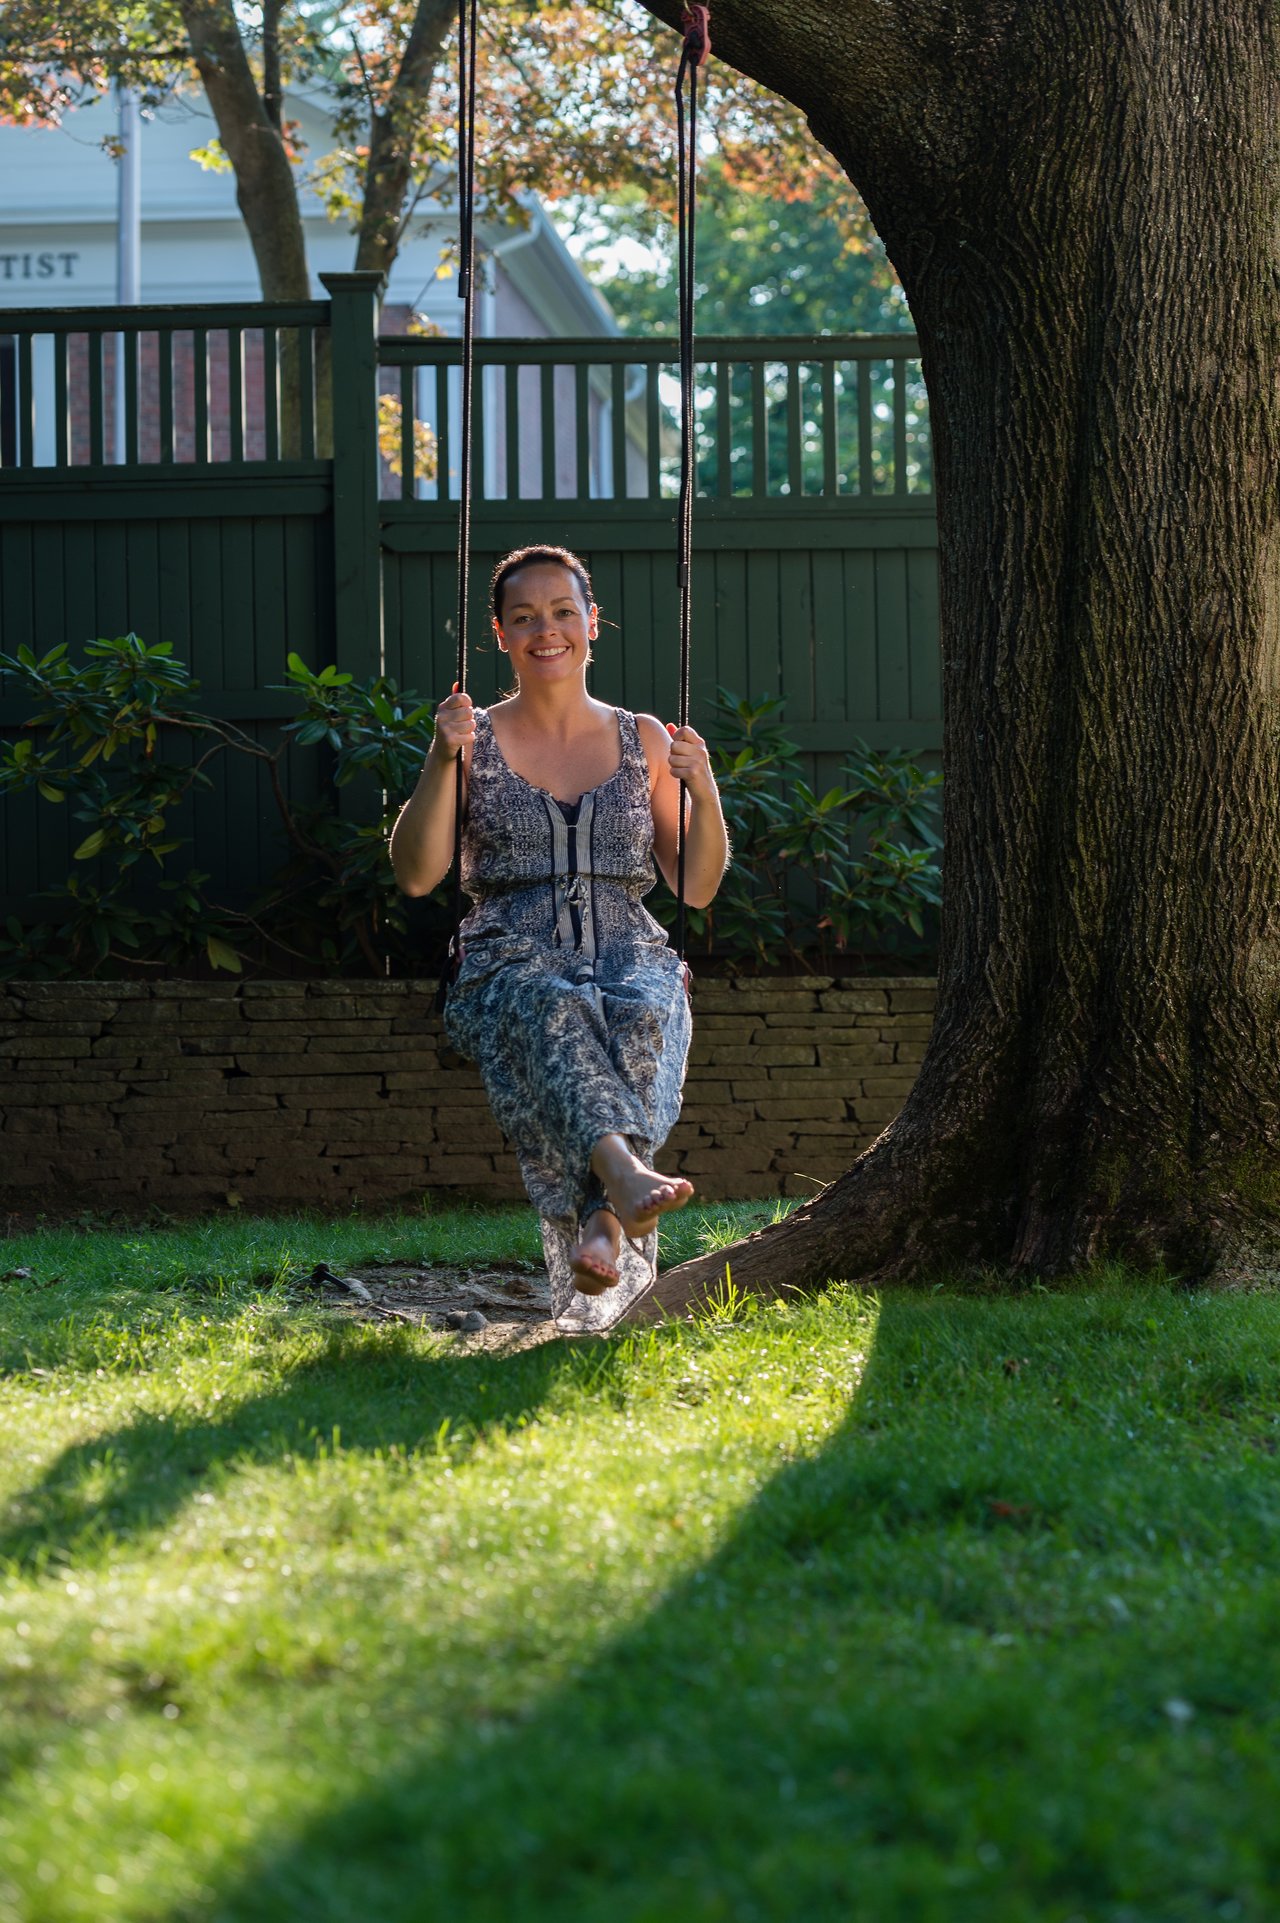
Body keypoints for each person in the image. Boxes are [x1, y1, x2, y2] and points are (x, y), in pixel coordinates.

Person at [390, 544, 729, 1332]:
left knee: (645, 1011)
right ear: (500, 635)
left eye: (563, 611)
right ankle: (621, 1184)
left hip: (630, 951)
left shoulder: (644, 738)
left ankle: (603, 1223)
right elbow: (416, 873)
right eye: (524, 616)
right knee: (552, 1004)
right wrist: (441, 756)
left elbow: (697, 885)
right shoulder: (470, 739)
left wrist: (705, 788)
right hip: (508, 961)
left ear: (592, 622)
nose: (546, 629)